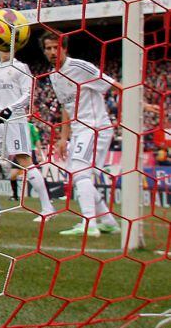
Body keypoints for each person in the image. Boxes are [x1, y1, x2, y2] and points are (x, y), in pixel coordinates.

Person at [40, 32, 159, 236]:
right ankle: (108, 222)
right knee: (79, 175)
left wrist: (142, 104)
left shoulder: (79, 67)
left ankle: (89, 224)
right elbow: (66, 107)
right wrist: (62, 138)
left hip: (95, 127)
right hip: (79, 130)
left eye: (56, 47)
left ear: (65, 48)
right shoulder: (54, 76)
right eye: (48, 48)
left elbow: (114, 85)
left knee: (80, 174)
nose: (52, 51)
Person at [0, 49, 55, 221]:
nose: (4, 49)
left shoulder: (21, 67)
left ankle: (48, 208)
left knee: (24, 161)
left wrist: (11, 108)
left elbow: (28, 94)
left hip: (16, 120)